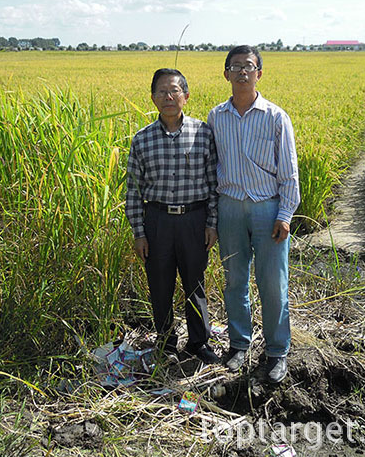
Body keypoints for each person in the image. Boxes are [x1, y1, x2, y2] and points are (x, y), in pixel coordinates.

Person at [207, 46, 300, 384]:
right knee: (234, 280)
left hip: (268, 208)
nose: (242, 72)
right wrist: (212, 218)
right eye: (235, 67)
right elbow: (210, 166)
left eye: (249, 66)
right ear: (226, 73)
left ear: (259, 73)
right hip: (230, 206)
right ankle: (238, 344)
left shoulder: (276, 117)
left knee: (273, 283)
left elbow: (289, 171)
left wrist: (286, 213)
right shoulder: (216, 117)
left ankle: (277, 351)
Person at [125, 68, 220, 364]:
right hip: (158, 220)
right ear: (153, 98)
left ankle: (198, 342)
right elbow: (132, 191)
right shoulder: (142, 140)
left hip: (194, 218)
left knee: (195, 282)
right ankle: (165, 343)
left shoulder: (203, 133)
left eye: (175, 90)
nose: (169, 96)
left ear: (186, 96)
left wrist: (212, 223)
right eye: (162, 91)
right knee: (160, 284)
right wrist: (139, 232)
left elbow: (214, 183)